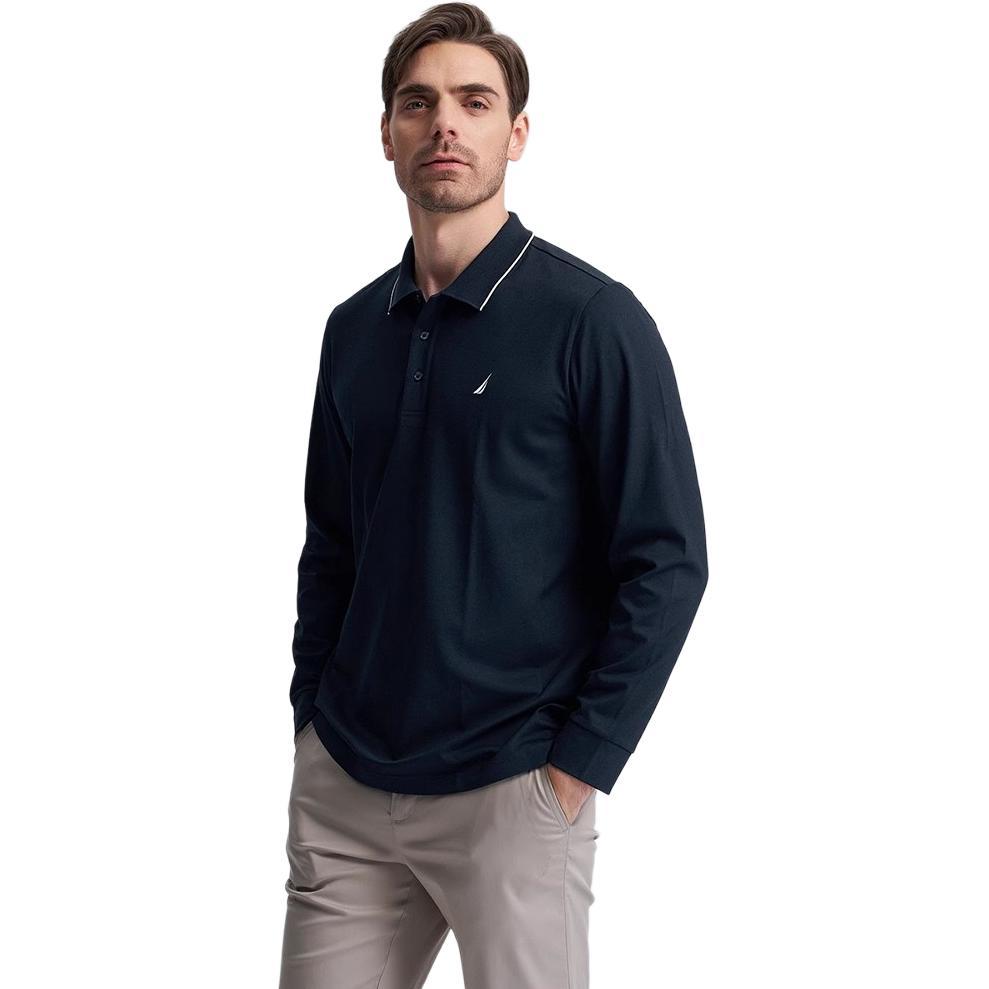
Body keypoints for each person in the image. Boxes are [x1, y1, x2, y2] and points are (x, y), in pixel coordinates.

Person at [279, 4, 708, 987]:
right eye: (418, 102)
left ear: (515, 133)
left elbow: (666, 557)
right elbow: (331, 544)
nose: (444, 123)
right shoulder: (352, 329)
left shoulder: (592, 320)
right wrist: (312, 718)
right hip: (348, 785)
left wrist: (578, 763)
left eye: (473, 102)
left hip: (512, 783)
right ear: (385, 133)